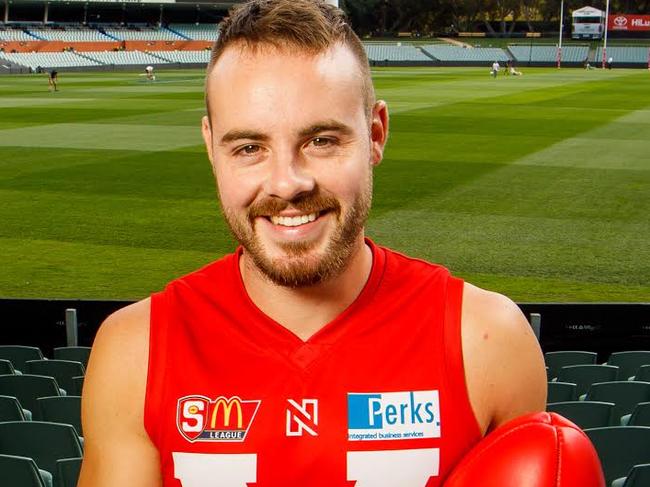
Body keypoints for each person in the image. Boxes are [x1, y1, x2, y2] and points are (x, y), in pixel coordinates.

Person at [78, 1, 602, 486]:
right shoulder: (135, 352)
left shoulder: (487, 342)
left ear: (375, 135)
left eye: (321, 140)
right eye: (248, 147)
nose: (287, 184)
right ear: (211, 149)